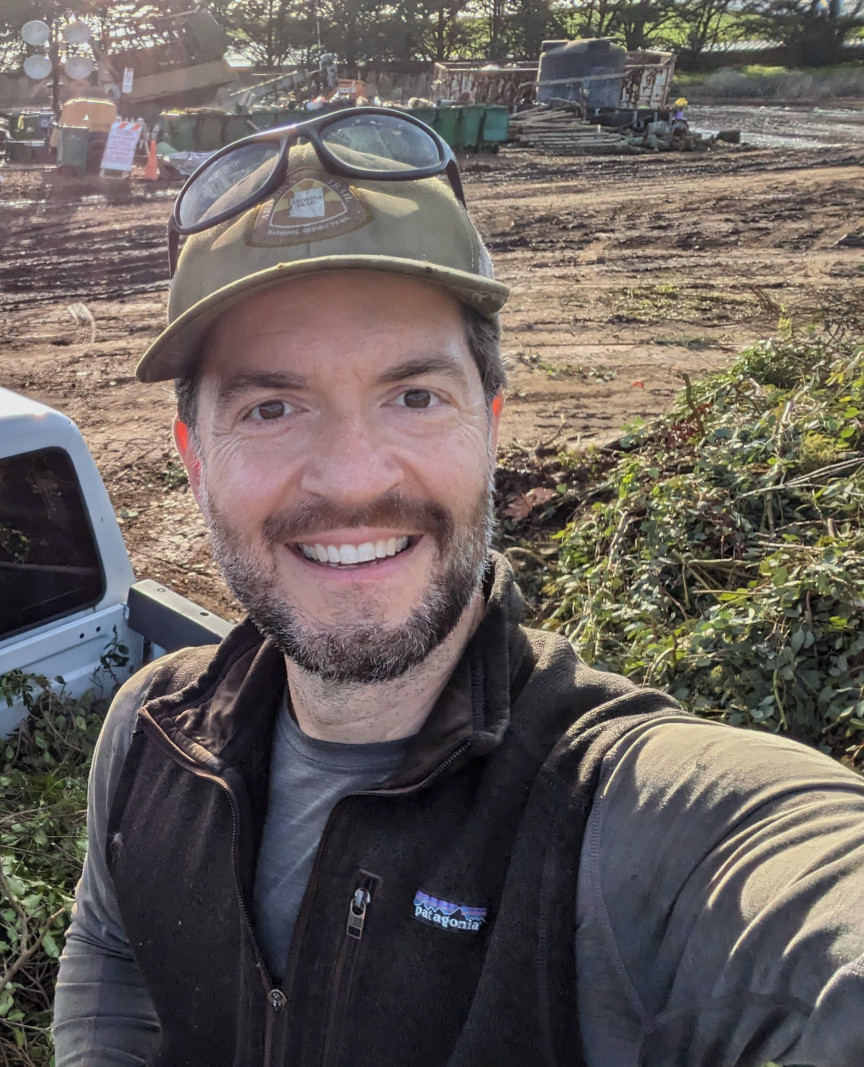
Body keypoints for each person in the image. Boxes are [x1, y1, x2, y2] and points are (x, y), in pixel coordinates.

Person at [52, 107, 864, 1067]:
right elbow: (115, 963)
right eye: (272, 407)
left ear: (492, 422)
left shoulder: (627, 817)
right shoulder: (150, 736)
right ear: (193, 456)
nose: (353, 481)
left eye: (414, 396)